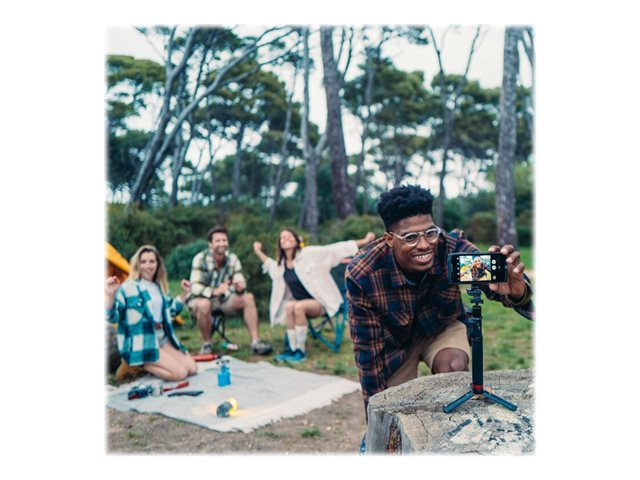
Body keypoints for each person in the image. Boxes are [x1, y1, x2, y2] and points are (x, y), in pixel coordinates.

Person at [345, 185, 534, 418]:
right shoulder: (363, 273)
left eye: (430, 232)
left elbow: (497, 283)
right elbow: (366, 350)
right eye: (410, 237)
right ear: (389, 239)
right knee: (393, 409)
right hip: (394, 342)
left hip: (441, 326)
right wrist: (375, 419)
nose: (424, 245)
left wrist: (516, 292)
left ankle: (455, 427)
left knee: (453, 367)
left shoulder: (450, 246)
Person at [253, 229, 376, 364]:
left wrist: (364, 241)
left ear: (297, 240)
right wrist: (258, 252)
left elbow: (333, 249)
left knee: (298, 307)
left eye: (289, 236)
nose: (286, 238)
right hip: (298, 304)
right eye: (282, 237)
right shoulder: (280, 265)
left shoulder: (309, 253)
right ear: (280, 244)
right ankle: (291, 350)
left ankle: (300, 351)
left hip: (320, 302)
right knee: (289, 306)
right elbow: (269, 264)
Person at [105, 245, 197, 382]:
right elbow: (113, 318)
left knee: (192, 368)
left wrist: (184, 295)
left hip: (162, 337)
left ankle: (154, 360)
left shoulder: (160, 287)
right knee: (181, 374)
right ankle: (140, 364)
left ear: (158, 264)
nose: (148, 266)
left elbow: (171, 312)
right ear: (137, 264)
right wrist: (110, 297)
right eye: (143, 262)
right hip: (143, 342)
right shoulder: (128, 287)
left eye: (152, 261)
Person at [188, 226, 273, 356]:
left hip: (223, 300)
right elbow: (194, 286)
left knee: (248, 298)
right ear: (210, 244)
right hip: (200, 300)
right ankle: (207, 344)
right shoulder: (200, 258)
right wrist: (214, 291)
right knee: (204, 304)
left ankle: (256, 342)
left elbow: (239, 279)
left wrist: (240, 287)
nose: (222, 243)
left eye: (224, 240)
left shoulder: (233, 258)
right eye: (218, 241)